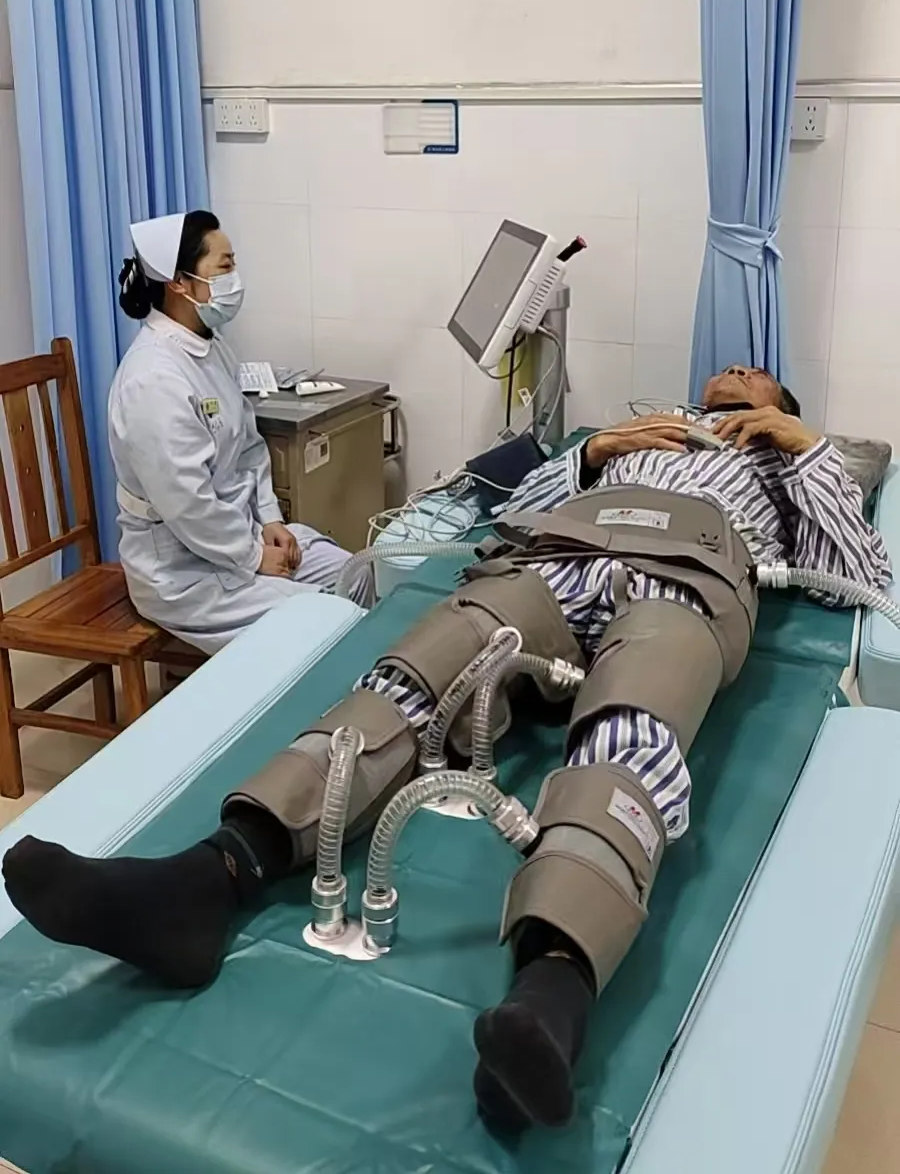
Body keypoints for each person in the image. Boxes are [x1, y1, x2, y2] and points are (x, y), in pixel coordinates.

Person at [3, 364, 891, 1136]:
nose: (732, 373)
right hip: (554, 561)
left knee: (636, 725)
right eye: (724, 371)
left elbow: (860, 575)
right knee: (425, 666)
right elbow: (514, 513)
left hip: (683, 583)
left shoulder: (783, 464)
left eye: (754, 375)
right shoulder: (638, 436)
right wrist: (591, 453)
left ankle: (552, 990)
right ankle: (212, 875)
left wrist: (804, 448)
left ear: (780, 404)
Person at [107, 209, 369, 652]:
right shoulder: (152, 379)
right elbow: (187, 503)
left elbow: (249, 447)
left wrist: (270, 519)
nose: (234, 279)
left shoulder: (212, 348)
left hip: (238, 538)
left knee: (362, 573)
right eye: (224, 266)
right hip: (184, 573)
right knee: (330, 624)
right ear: (179, 282)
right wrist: (253, 556)